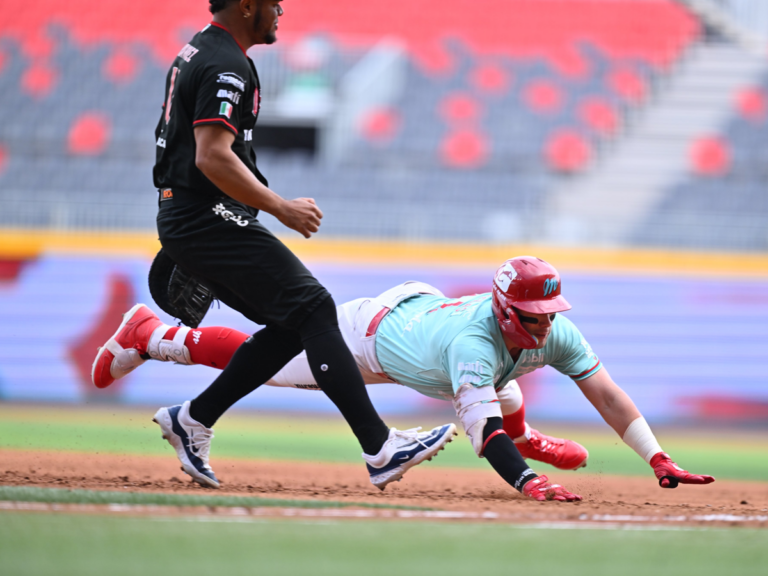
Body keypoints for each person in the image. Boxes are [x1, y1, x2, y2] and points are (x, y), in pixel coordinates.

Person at [91, 0, 457, 491]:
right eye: (273, 3)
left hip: (191, 215)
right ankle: (380, 447)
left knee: (292, 324)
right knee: (314, 308)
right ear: (247, 6)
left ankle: (194, 418)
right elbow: (212, 157)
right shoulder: (226, 64)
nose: (281, 10)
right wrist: (280, 206)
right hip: (204, 216)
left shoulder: (201, 50)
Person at [93, 256, 716, 501]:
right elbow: (480, 435)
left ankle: (528, 436)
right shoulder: (476, 344)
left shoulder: (547, 333)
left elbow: (604, 391)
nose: (546, 327)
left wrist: (657, 457)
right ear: (505, 311)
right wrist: (526, 482)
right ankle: (153, 335)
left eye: (551, 315)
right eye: (534, 317)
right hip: (373, 338)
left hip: (420, 320)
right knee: (272, 365)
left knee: (510, 381)